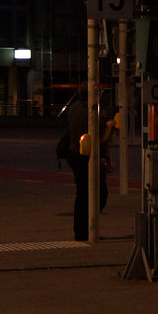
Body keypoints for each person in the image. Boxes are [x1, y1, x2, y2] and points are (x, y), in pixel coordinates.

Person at [64, 93, 111, 242]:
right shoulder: (89, 114)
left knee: (83, 194)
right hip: (85, 156)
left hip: (75, 154)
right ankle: (87, 228)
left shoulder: (75, 108)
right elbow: (99, 139)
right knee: (97, 194)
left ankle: (82, 230)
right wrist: (109, 128)